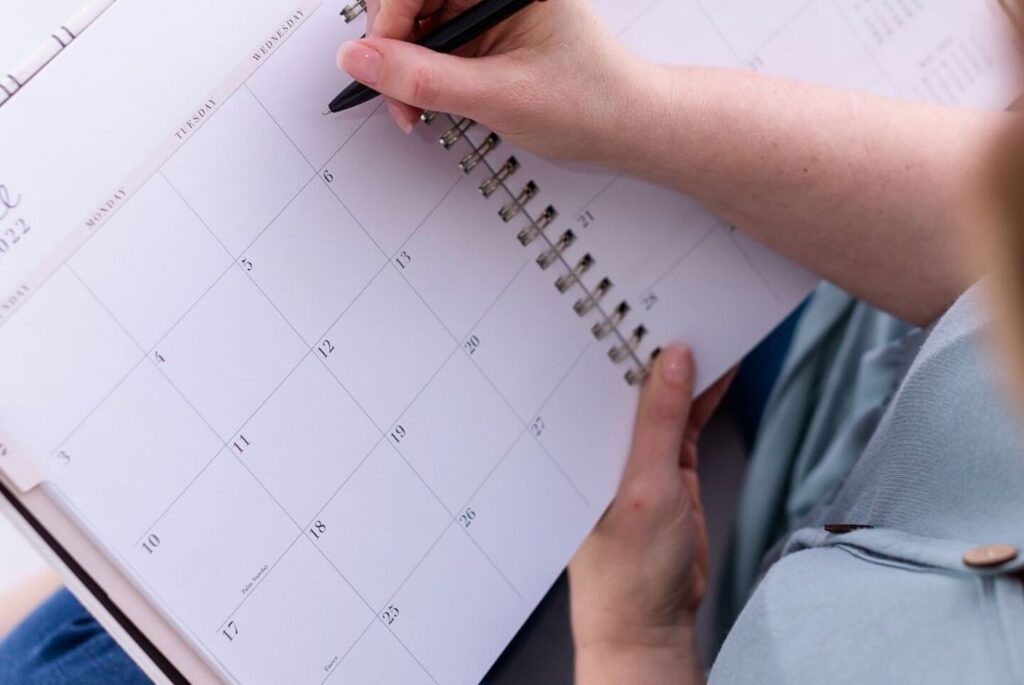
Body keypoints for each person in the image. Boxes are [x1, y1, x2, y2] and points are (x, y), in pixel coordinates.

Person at [3, 1, 1023, 682]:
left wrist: (634, 635)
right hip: (876, 363)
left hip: (741, 544)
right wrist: (638, 113)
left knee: (82, 644)